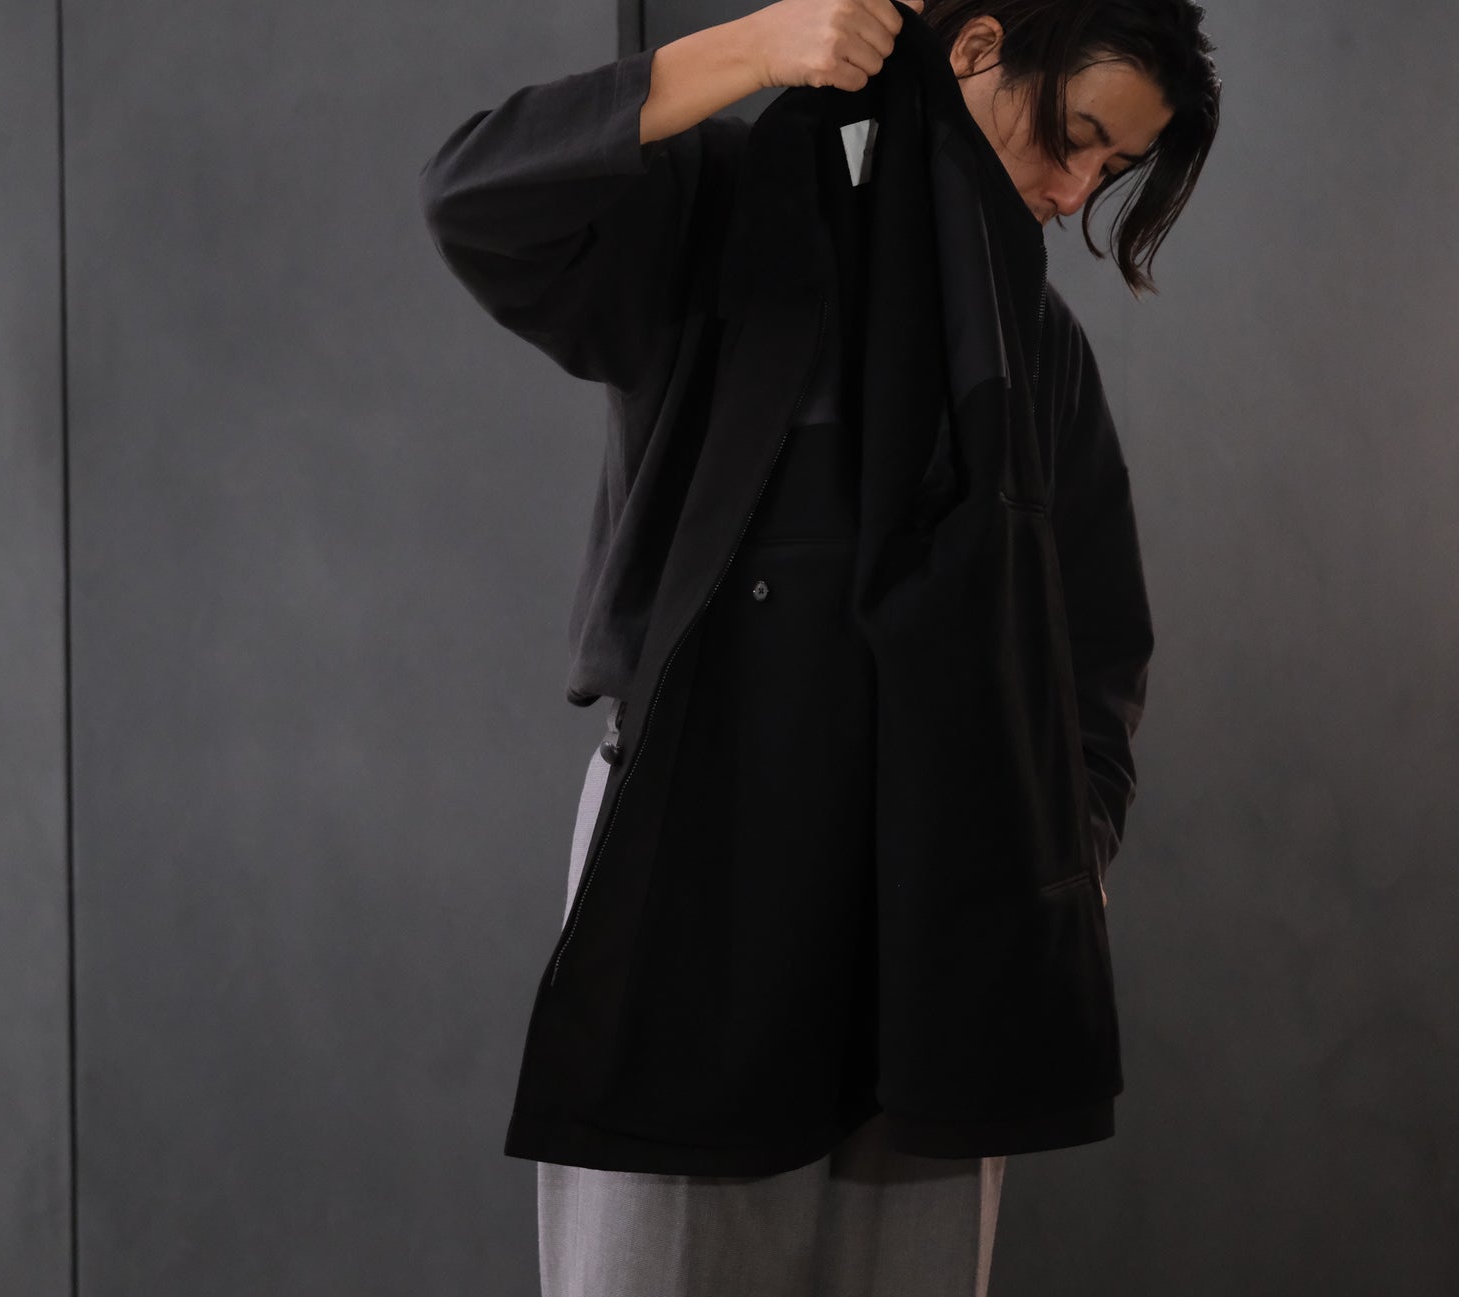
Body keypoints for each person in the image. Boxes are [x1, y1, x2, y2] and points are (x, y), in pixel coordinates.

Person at [419, 1, 1219, 1293]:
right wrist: (756, 48)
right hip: (701, 855)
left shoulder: (1033, 345)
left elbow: (1094, 648)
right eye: (1072, 135)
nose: (1075, 192)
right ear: (977, 49)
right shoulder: (730, 218)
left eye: (1111, 170)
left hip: (941, 906)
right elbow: (475, 196)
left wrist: (1066, 847)